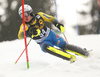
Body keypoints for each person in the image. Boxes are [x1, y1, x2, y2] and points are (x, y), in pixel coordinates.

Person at [18, 4, 89, 63]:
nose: (24, 17)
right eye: (22, 15)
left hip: (51, 35)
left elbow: (50, 19)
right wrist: (29, 32)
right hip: (43, 41)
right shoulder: (25, 25)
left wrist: (58, 24)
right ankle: (70, 58)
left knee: (63, 45)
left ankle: (84, 52)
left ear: (30, 12)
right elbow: (20, 35)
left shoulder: (39, 16)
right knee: (46, 48)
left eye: (25, 14)